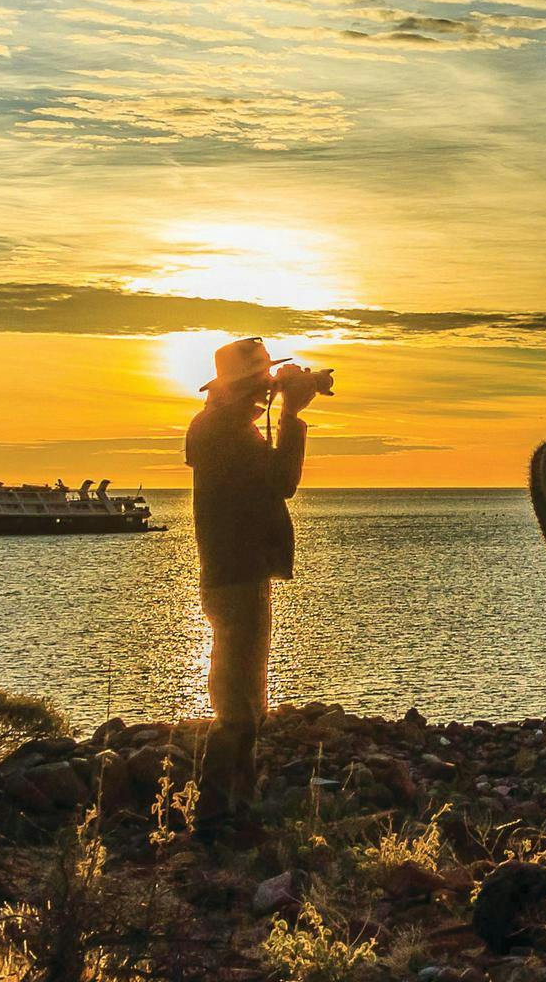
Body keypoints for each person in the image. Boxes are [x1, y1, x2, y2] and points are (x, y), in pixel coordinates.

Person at [185, 335, 315, 831]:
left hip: (236, 570)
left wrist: (282, 404)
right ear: (242, 387)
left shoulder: (220, 424)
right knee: (239, 704)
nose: (267, 388)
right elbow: (282, 482)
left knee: (245, 697)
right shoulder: (226, 432)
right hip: (236, 572)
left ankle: (238, 804)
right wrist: (292, 414)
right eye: (260, 381)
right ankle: (219, 816)